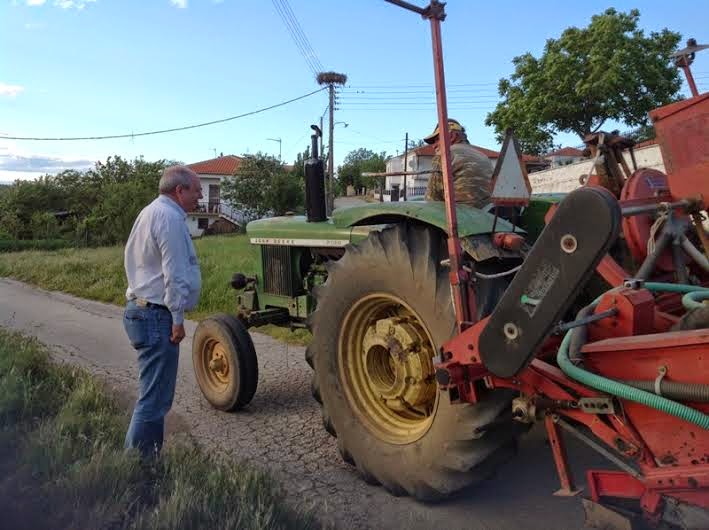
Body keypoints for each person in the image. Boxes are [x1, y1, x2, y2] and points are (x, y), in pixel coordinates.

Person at [123, 165, 203, 458]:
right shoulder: (169, 218)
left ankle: (144, 460)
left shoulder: (150, 212)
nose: (201, 195)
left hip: (142, 309)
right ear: (179, 190)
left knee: (152, 396)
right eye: (196, 190)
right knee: (154, 400)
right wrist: (178, 319)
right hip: (157, 316)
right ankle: (138, 466)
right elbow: (174, 274)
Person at [424, 118, 494, 209]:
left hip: (460, 216)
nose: (433, 145)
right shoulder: (483, 156)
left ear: (451, 136)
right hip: (486, 215)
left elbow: (432, 199)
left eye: (437, 139)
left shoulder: (445, 154)